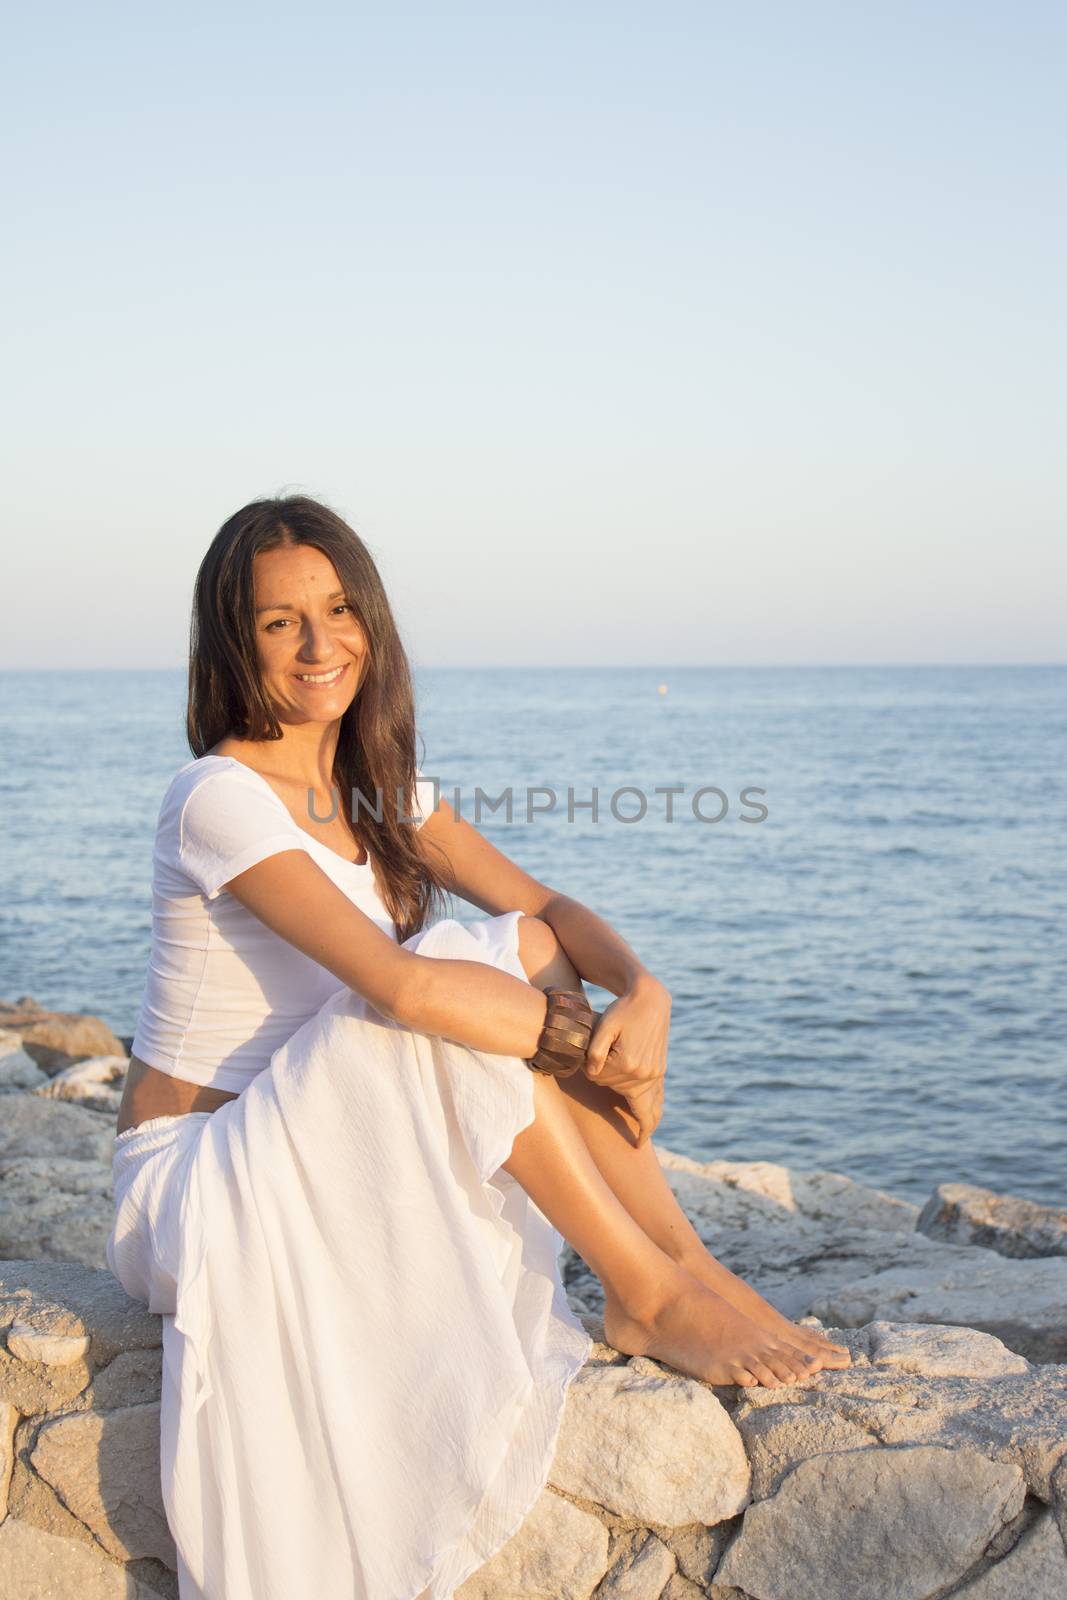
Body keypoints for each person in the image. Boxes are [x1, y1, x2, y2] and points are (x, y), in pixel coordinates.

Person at [107, 494, 850, 1600]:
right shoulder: (213, 796)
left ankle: (685, 1266)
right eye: (278, 622)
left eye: (340, 609)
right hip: (194, 1191)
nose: (320, 645)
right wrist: (584, 1041)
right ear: (231, 641)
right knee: (432, 990)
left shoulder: (378, 788)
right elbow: (399, 982)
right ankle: (639, 1287)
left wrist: (645, 992)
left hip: (315, 1148)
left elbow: (544, 908)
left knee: (515, 939)